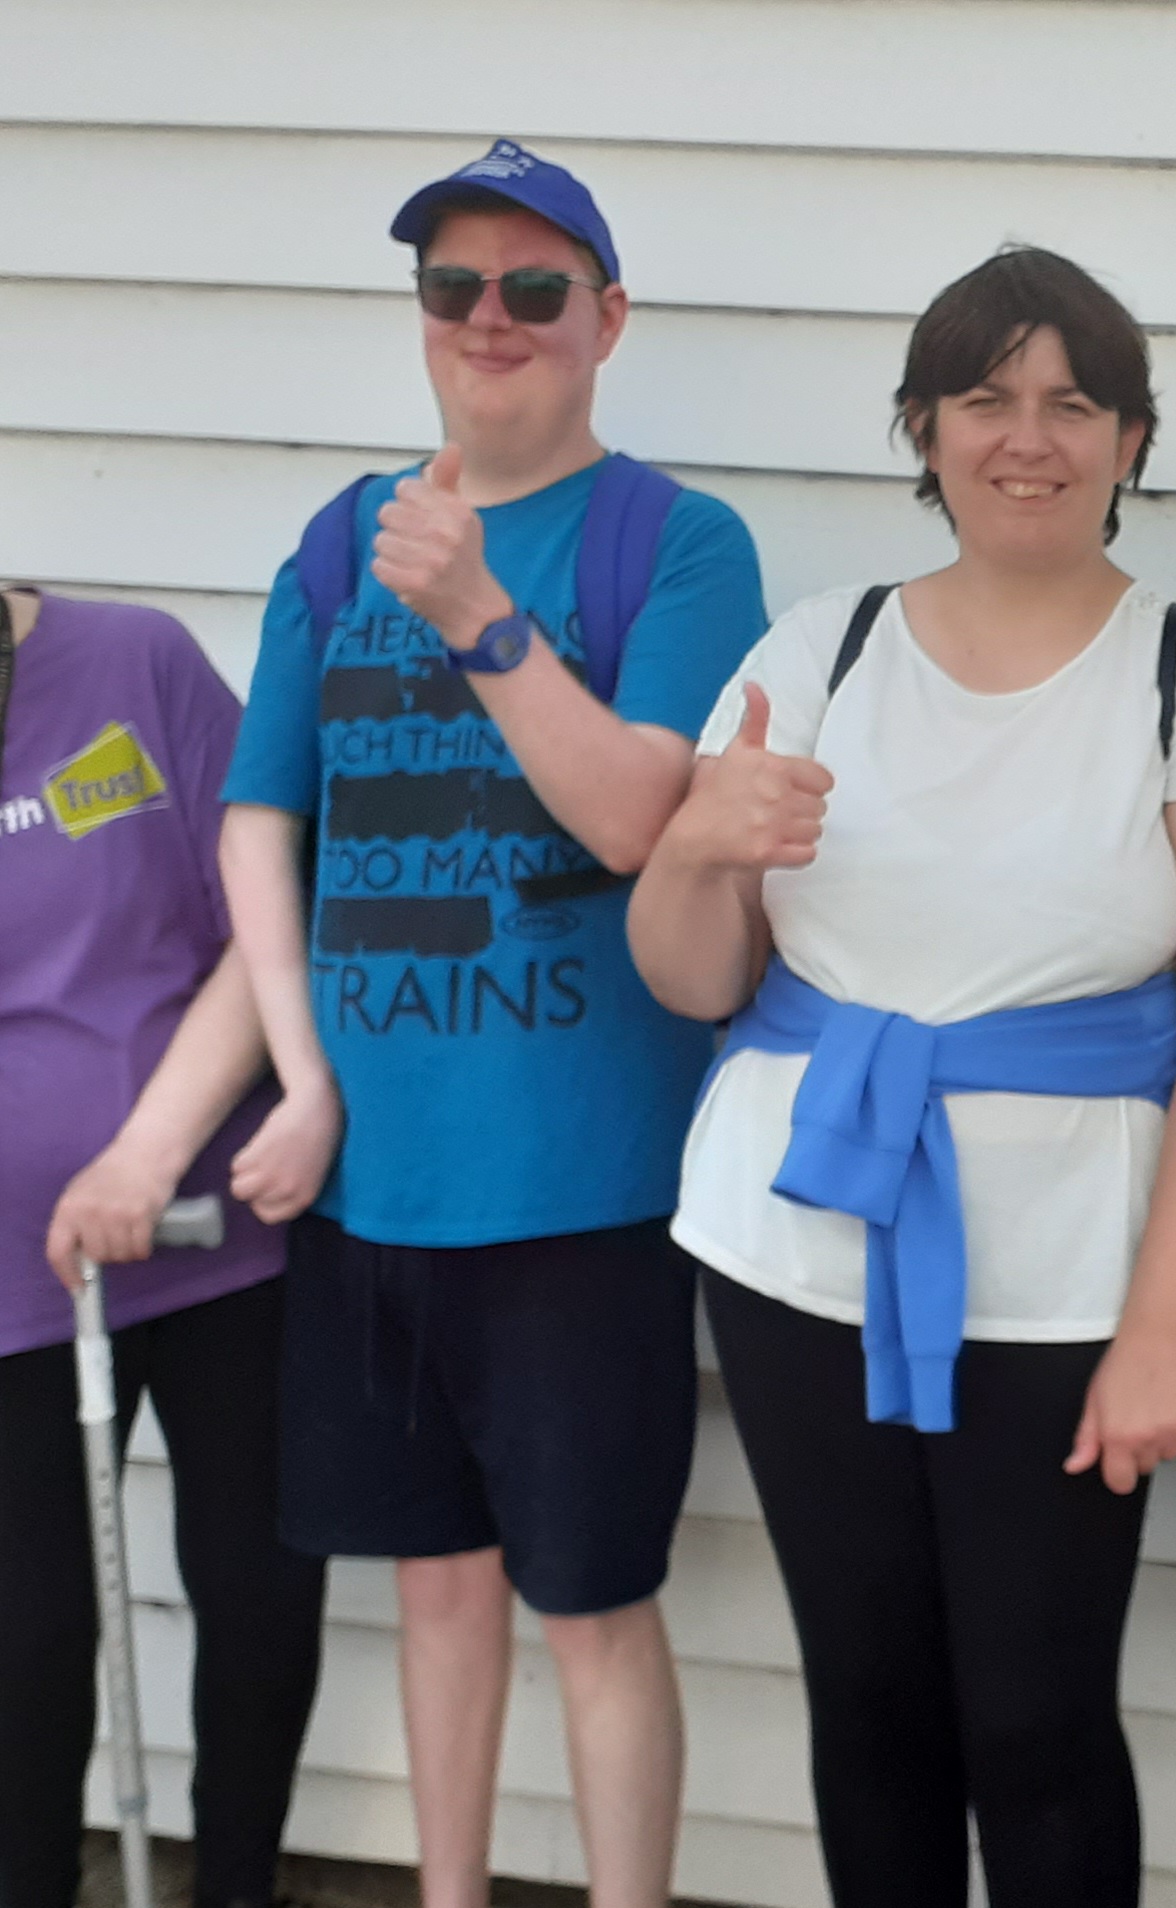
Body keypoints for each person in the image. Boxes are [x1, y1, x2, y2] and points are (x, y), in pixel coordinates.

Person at [626, 246, 1176, 1908]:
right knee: (867, 1698)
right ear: (922, 431)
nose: (1031, 436)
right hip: (795, 1235)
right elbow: (700, 976)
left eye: (1075, 401)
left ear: (1134, 442)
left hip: (1070, 1272)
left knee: (1035, 1711)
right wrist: (694, 855)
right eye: (986, 399)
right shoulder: (825, 646)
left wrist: (1167, 1328)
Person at [215, 141, 766, 1908]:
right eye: (457, 289)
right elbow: (260, 825)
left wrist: (473, 610)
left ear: (607, 319)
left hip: (581, 1192)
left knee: (592, 1605)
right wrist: (298, 1080)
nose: (493, 322)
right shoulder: (334, 536)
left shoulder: (674, 541)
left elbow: (635, 818)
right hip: (372, 1188)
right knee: (434, 1589)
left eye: (537, 291)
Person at [0, 585, 326, 1908]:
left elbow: (264, 918)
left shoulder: (134, 660)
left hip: (217, 1225)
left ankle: (236, 1886)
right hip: (17, 1284)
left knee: (254, 1588)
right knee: (27, 1628)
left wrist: (143, 1153)